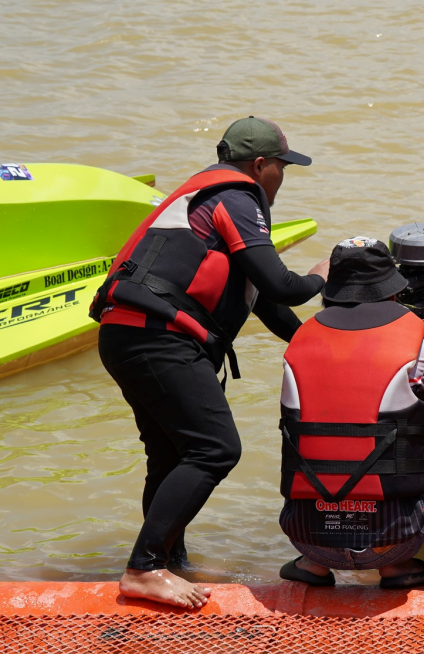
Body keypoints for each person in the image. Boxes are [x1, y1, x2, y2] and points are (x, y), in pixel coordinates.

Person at [89, 116, 329, 608]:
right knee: (215, 449)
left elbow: (269, 306)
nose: (283, 178)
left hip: (128, 335)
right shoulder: (237, 199)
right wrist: (324, 275)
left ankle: (169, 563)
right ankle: (145, 566)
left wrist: (321, 348)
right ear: (260, 165)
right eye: (283, 167)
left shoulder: (208, 200)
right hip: (157, 339)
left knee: (172, 454)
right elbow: (286, 286)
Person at [276, 237, 424, 588]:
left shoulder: (298, 346)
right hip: (395, 541)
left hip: (308, 539)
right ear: (393, 291)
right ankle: (398, 567)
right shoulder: (418, 345)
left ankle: (312, 565)